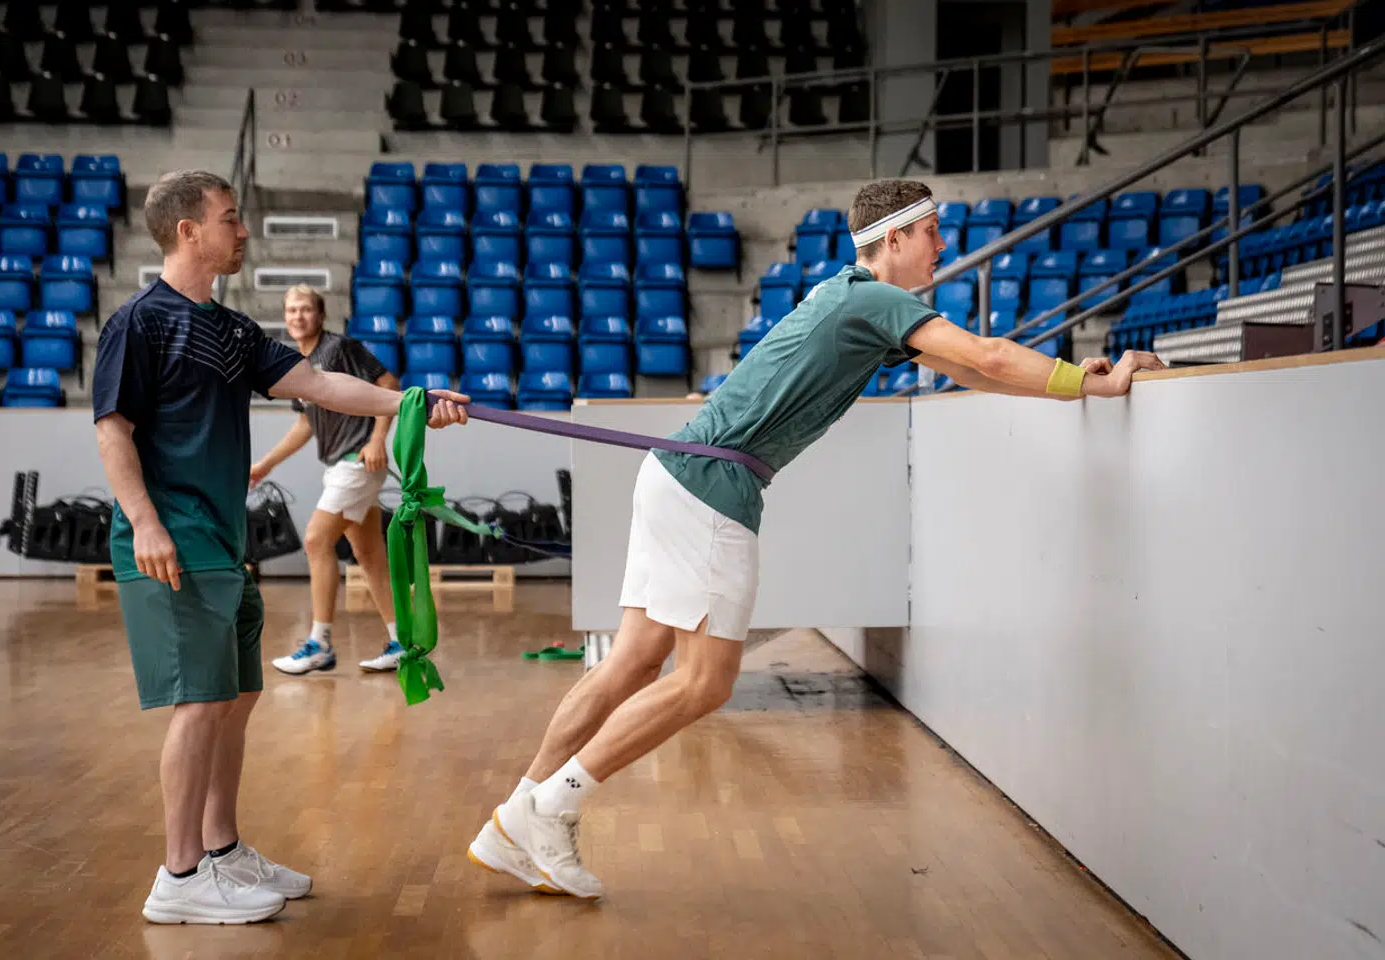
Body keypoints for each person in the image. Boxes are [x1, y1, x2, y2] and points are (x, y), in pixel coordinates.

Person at [466, 178, 1165, 900]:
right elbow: (986, 356)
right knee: (704, 682)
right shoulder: (876, 300)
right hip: (713, 487)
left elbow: (969, 368)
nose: (943, 245)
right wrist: (1099, 388)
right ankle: (551, 807)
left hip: (679, 473)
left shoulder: (855, 298)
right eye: (931, 231)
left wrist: (1077, 377)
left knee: (633, 664)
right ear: (892, 240)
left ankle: (514, 818)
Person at [93, 170, 468, 924]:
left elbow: (324, 387)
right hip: (175, 537)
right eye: (230, 220)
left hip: (224, 541)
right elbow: (112, 428)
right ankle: (178, 876)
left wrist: (414, 403)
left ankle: (222, 851)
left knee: (237, 696)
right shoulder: (139, 323)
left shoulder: (231, 331)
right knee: (199, 704)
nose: (243, 232)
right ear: (188, 230)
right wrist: (146, 521)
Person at [249, 285, 405, 675]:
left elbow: (389, 386)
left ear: (320, 315)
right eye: (291, 310)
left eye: (305, 309)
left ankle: (319, 642)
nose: (298, 316)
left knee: (317, 540)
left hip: (359, 460)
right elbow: (305, 423)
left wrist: (376, 439)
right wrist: (265, 465)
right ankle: (403, 641)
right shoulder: (295, 364)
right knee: (369, 554)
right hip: (339, 464)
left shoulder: (338, 350)